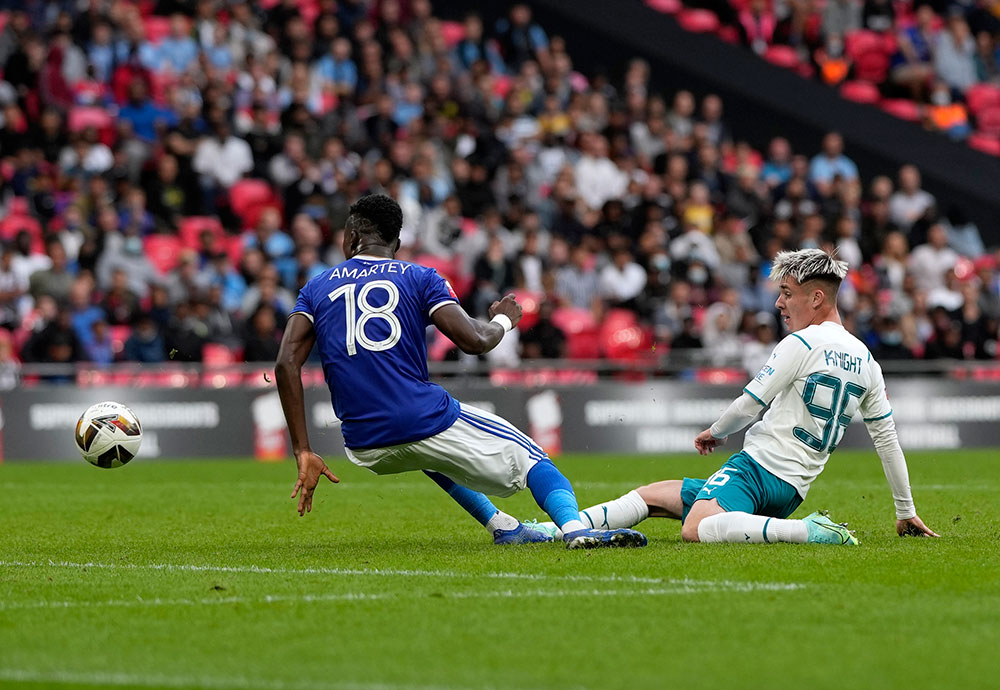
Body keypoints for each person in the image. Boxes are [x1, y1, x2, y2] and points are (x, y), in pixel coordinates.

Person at [275, 194, 646, 549]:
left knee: (429, 454)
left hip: (363, 442)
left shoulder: (316, 287)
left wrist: (303, 449)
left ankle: (504, 527)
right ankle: (576, 529)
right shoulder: (419, 277)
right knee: (535, 459)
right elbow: (475, 341)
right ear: (397, 243)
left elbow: (285, 363)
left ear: (352, 236)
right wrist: (504, 319)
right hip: (419, 416)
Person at [533, 248, 938, 545]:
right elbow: (887, 442)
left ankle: (809, 532)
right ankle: (554, 529)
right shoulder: (866, 360)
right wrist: (905, 511)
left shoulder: (802, 342)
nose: (779, 302)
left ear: (816, 298)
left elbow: (751, 402)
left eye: (786, 292)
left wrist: (717, 431)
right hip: (792, 489)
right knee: (652, 496)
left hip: (759, 469)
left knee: (696, 527)